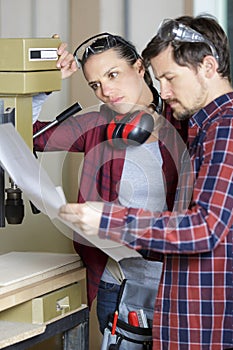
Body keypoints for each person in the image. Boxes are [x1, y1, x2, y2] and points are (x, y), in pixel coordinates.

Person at [59, 15, 233, 350]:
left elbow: (205, 228)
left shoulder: (222, 129)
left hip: (202, 319)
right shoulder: (202, 128)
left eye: (169, 77)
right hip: (166, 302)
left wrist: (106, 219)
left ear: (208, 66)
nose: (164, 91)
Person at [33, 32, 188, 340]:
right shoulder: (96, 125)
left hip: (176, 286)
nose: (106, 91)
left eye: (113, 74)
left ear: (141, 68)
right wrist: (43, 86)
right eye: (95, 85)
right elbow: (34, 134)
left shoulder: (185, 120)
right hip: (115, 284)